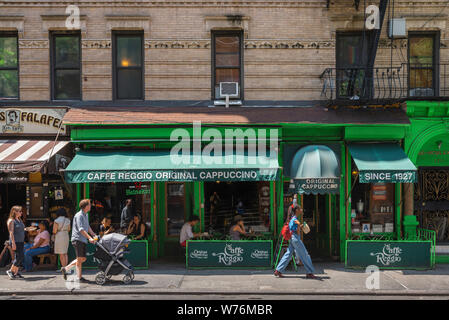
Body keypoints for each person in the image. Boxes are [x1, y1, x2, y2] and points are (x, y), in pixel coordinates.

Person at [274, 205, 316, 279]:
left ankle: (278, 270)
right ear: (297, 210)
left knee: (288, 254)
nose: (301, 210)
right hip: (295, 238)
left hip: (292, 238)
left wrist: (300, 226)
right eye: (300, 208)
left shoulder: (292, 218)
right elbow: (297, 225)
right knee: (305, 254)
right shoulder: (295, 219)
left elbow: (296, 227)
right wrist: (300, 225)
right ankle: (309, 272)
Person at [61, 199, 98, 283]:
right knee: (80, 259)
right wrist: (89, 238)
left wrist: (93, 234)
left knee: (82, 259)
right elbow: (81, 229)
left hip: (83, 239)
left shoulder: (86, 215)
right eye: (89, 204)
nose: (91, 206)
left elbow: (87, 227)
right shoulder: (79, 215)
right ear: (86, 206)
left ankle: (65, 268)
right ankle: (79, 277)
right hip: (77, 239)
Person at [6, 206, 25, 279]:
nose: (21, 213)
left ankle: (15, 272)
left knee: (20, 257)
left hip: (20, 241)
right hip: (16, 241)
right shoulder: (11, 220)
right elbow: (11, 232)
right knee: (19, 256)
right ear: (14, 212)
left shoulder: (19, 220)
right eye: (19, 211)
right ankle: (11, 270)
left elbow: (21, 229)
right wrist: (13, 243)